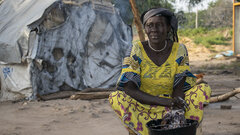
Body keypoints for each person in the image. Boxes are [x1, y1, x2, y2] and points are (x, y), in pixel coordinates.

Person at [109, 8, 211, 135]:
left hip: (172, 101)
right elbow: (129, 89)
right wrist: (166, 102)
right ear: (145, 29)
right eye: (149, 25)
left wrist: (175, 107)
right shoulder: (136, 49)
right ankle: (146, 131)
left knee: (202, 89)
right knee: (116, 97)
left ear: (168, 27)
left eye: (159, 25)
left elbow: (179, 87)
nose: (154, 30)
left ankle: (181, 129)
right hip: (144, 104)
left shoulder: (179, 49)